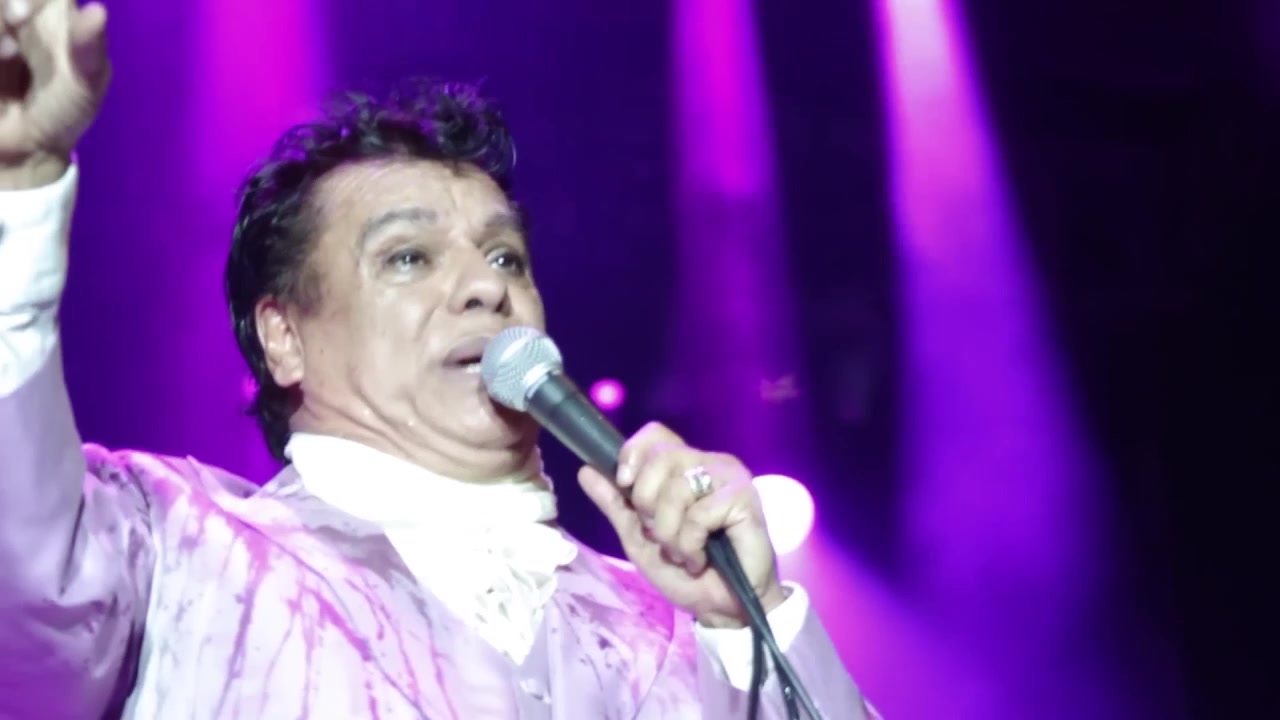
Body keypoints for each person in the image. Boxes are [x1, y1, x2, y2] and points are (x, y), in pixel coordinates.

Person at [0, 2, 879, 718]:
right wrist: (20, 189)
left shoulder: (677, 629)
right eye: (409, 258)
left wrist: (751, 620)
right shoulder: (174, 548)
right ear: (283, 337)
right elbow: (25, 593)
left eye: (505, 257)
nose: (487, 288)